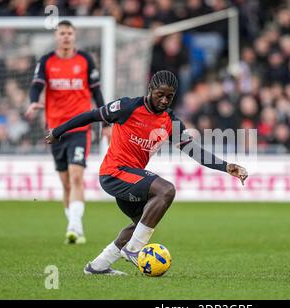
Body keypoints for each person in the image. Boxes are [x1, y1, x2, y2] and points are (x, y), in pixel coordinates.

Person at [45, 70, 248, 275]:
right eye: (160, 94)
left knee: (142, 222)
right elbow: (91, 115)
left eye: (169, 96)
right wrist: (57, 132)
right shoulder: (127, 107)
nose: (164, 100)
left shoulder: (171, 122)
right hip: (114, 172)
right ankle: (134, 250)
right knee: (166, 191)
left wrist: (226, 166)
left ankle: (97, 266)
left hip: (130, 177)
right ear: (150, 89)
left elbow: (194, 151)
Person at [25, 20, 110, 245]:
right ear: (56, 37)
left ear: (74, 36)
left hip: (80, 128)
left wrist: (106, 123)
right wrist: (34, 102)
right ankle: (74, 225)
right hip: (54, 130)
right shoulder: (46, 61)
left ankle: (75, 226)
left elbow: (96, 92)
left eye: (69, 33)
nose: (66, 37)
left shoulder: (85, 60)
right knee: (65, 182)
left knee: (76, 176)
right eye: (62, 33)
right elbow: (36, 85)